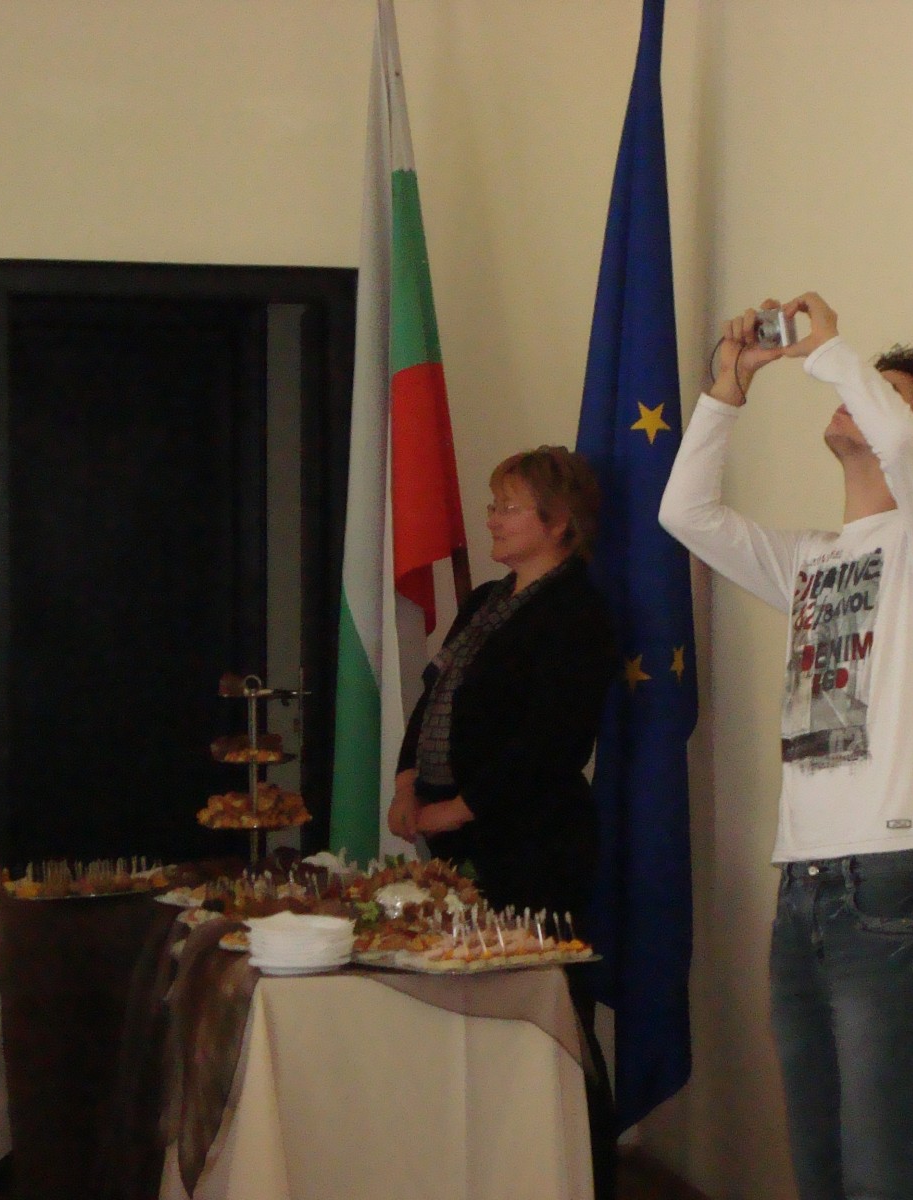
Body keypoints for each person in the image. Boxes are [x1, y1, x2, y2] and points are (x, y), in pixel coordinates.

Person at [659, 294, 913, 1200]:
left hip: (894, 873)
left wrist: (835, 351)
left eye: (884, 391)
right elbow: (686, 514)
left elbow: (908, 453)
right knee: (822, 1167)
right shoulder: (812, 559)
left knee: (885, 1170)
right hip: (803, 878)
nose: (853, 393)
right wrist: (727, 390)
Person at [388, 445, 620, 1199]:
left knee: (547, 1016)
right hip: (456, 838)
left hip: (533, 847)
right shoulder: (487, 599)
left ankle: (580, 1175)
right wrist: (406, 782)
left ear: (559, 524)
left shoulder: (577, 613)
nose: (492, 518)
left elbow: (550, 741)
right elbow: (435, 692)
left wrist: (461, 807)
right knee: (467, 1015)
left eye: (509, 507)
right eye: (494, 504)